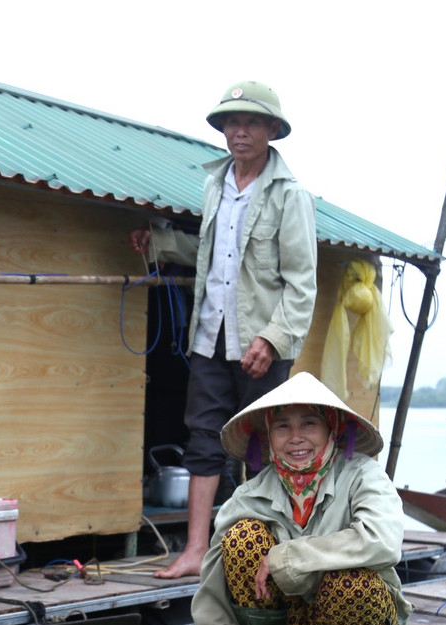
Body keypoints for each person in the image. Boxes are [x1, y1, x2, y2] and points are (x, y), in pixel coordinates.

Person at [130, 80, 318, 579]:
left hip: (261, 341)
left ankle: (265, 554)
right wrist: (161, 242)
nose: (240, 131)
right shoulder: (216, 186)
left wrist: (272, 338)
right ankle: (194, 550)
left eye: (251, 122)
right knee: (202, 439)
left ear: (272, 130)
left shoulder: (289, 194)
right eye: (232, 122)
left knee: (264, 446)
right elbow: (211, 257)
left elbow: (302, 284)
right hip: (211, 333)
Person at [190, 372, 413, 625]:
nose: (295, 438)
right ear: (267, 435)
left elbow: (382, 539)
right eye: (282, 427)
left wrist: (287, 557)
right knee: (242, 537)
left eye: (309, 423)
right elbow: (211, 588)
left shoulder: (363, 474)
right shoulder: (249, 494)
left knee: (353, 581)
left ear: (332, 429)